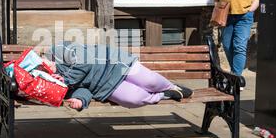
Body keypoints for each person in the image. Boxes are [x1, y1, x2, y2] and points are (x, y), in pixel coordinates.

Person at [42, 41, 193, 110]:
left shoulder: (57, 50)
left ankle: (172, 86)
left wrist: (66, 79)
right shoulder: (57, 84)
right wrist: (80, 101)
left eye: (43, 63)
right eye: (44, 70)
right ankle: (165, 94)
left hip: (115, 63)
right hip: (104, 86)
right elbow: (83, 91)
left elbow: (85, 61)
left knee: (151, 81)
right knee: (134, 99)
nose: (47, 66)